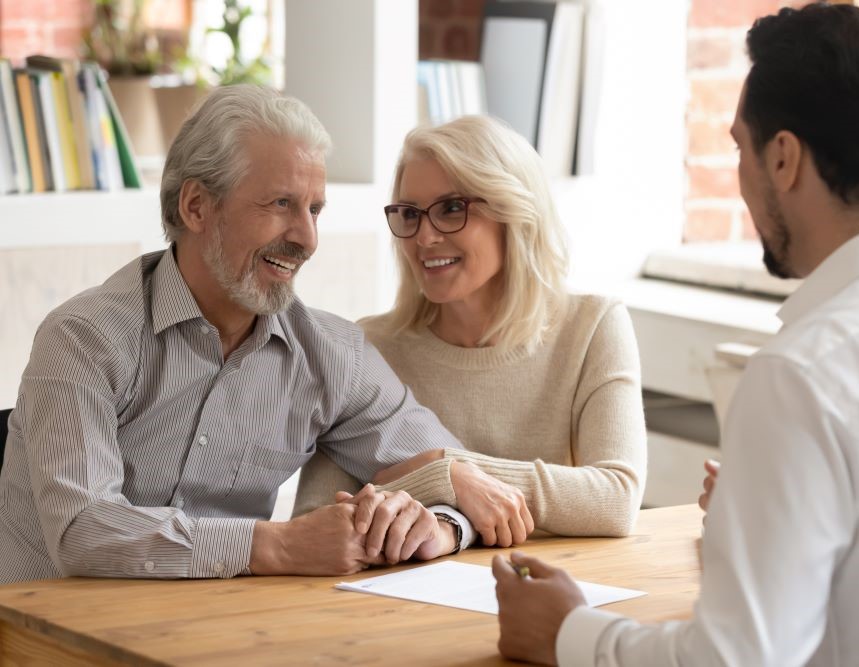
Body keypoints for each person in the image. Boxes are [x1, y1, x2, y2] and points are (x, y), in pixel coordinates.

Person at [0, 85, 530, 583]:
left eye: (314, 209)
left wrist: (437, 521)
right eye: (280, 204)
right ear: (196, 207)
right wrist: (277, 546)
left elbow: (469, 484)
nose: (306, 237)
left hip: (223, 637)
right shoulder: (83, 339)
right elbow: (82, 532)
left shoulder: (330, 356)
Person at [493, 3, 859, 665]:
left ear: (783, 158)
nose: (740, 176)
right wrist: (761, 518)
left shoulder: (800, 373)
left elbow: (738, 657)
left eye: (737, 148)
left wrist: (568, 633)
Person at [295, 114, 647, 542]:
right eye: (410, 214)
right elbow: (317, 517)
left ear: (514, 214)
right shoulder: (368, 347)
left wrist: (444, 465)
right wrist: (453, 482)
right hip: (398, 601)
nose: (424, 238)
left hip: (546, 591)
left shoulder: (593, 328)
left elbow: (615, 499)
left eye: (451, 208)